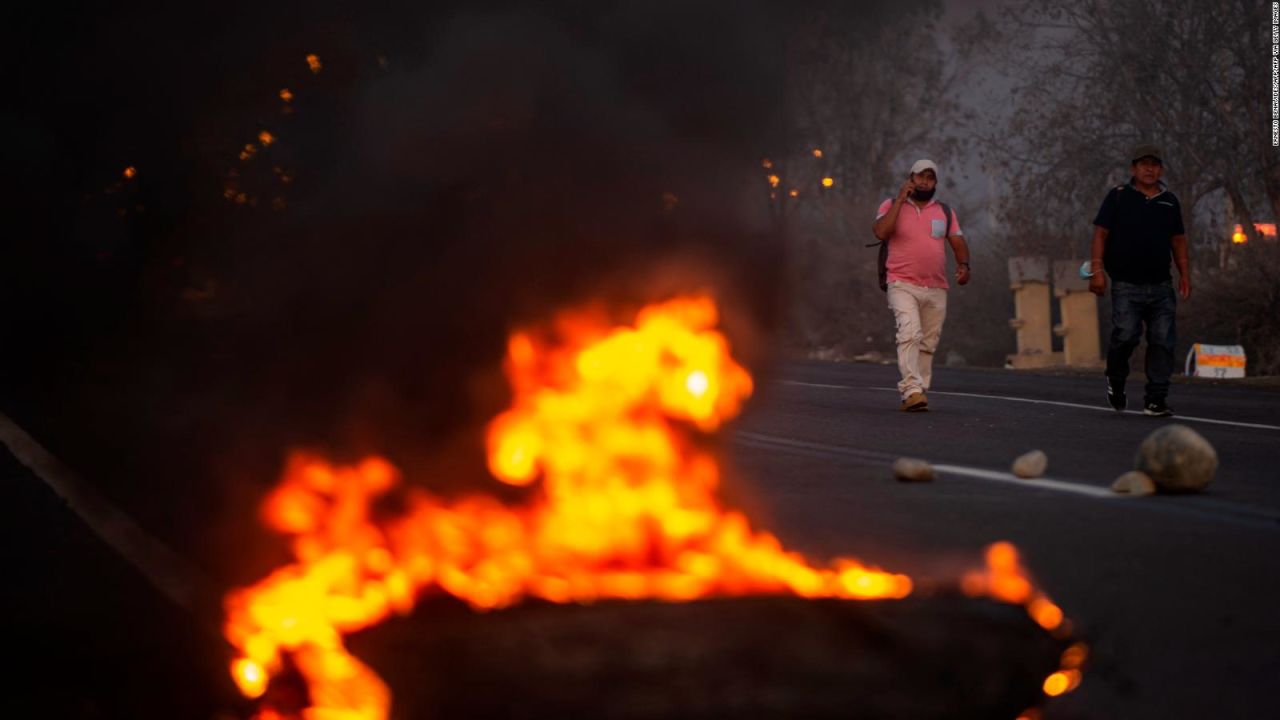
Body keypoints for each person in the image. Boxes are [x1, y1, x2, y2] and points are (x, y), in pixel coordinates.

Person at [1088, 144, 1191, 417]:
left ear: (1161, 169)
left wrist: (1185, 274)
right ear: (1133, 168)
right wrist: (1097, 269)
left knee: (1163, 341)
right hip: (1125, 284)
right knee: (1126, 336)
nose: (1150, 169)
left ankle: (1156, 399)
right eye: (1144, 164)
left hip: (1161, 285)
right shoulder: (1119, 197)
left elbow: (1178, 241)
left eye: (1155, 164)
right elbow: (1100, 234)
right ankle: (1116, 379)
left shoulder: (1170, 201)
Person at [872, 159, 970, 412]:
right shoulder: (891, 205)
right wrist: (900, 199)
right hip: (901, 283)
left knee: (927, 343)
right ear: (910, 179)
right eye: (919, 176)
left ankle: (918, 391)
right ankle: (911, 389)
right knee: (909, 332)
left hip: (936, 287)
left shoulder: (944, 212)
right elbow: (881, 232)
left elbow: (957, 240)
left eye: (930, 177)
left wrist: (964, 266)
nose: (924, 181)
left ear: (935, 182)